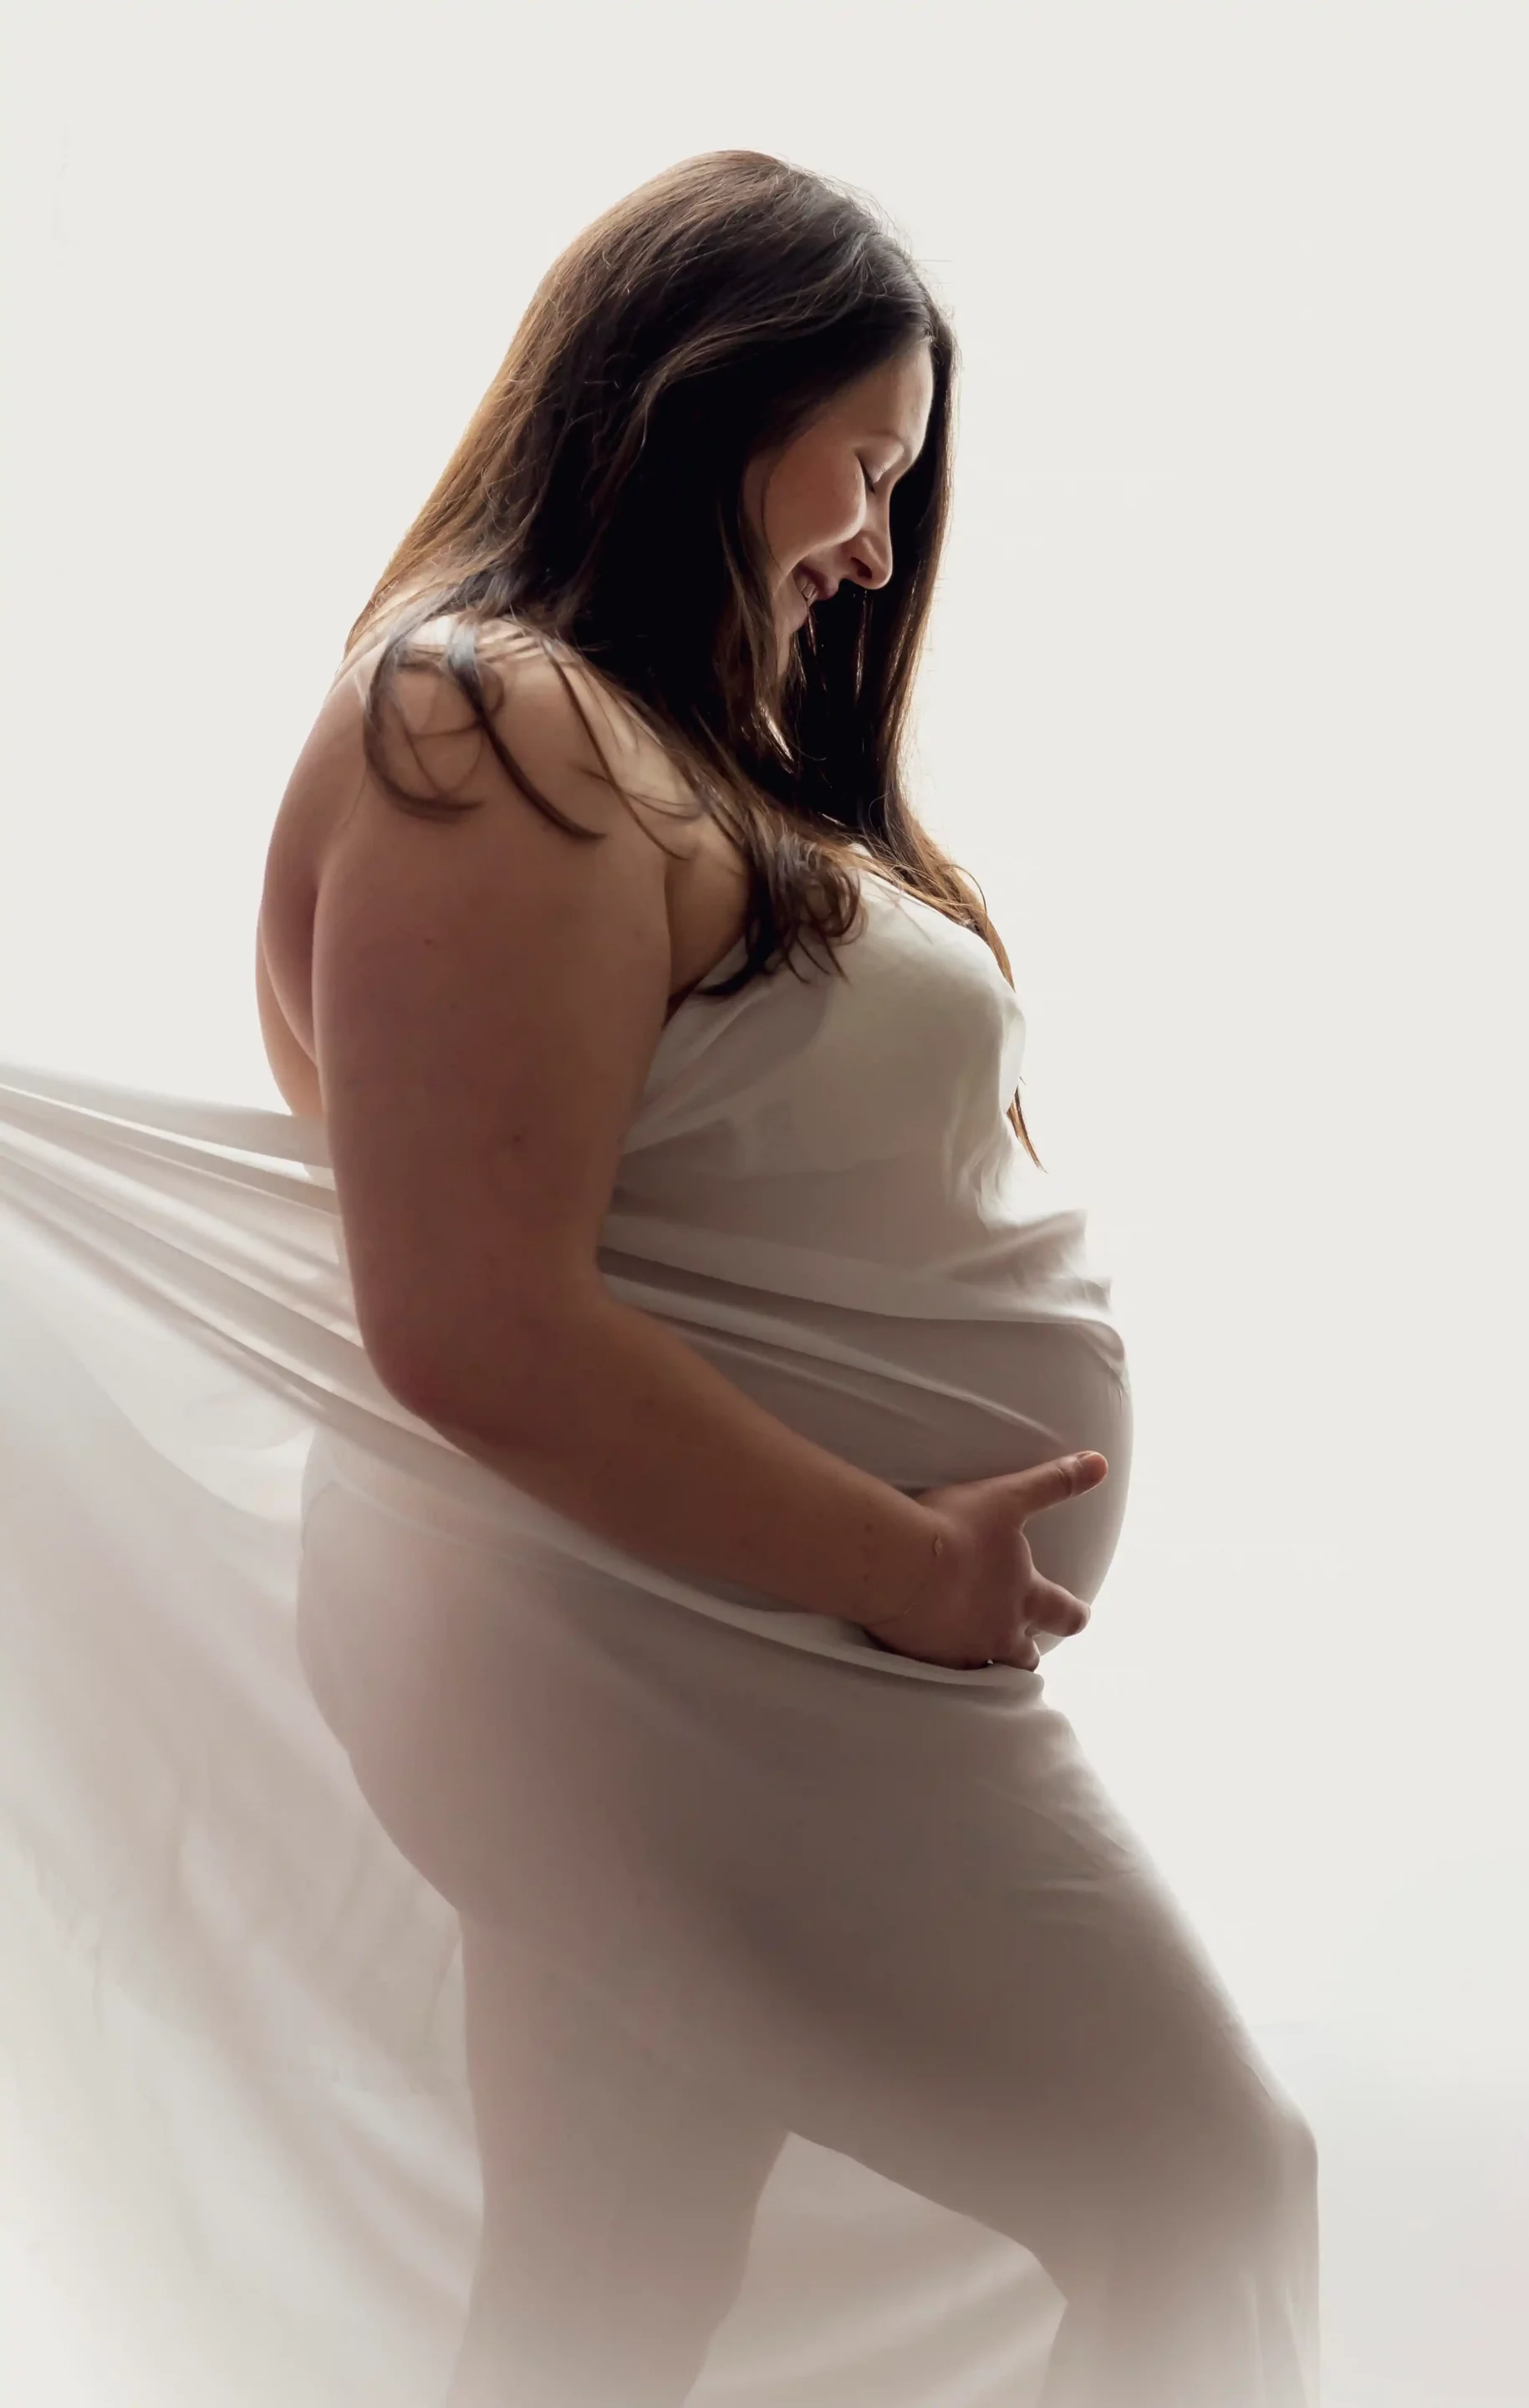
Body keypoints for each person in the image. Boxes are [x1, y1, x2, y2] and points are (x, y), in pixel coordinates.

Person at [254, 147, 1319, 2405]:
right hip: (690, 1647)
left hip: (701, 1645)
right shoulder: (490, 726)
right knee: (1210, 2185)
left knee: (600, 2285)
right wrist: (901, 1567)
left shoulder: (631, 750)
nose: (873, 538)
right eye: (867, 462)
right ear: (704, 401)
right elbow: (469, 1318)